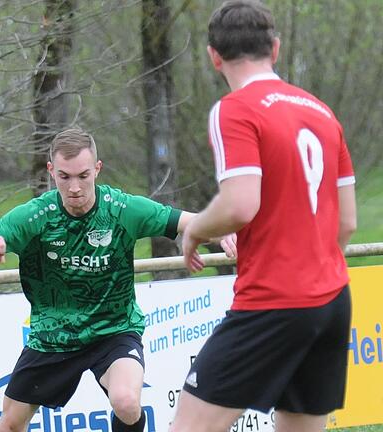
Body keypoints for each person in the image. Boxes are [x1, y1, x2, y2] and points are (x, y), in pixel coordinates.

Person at [0, 128, 236, 432]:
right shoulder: (36, 216)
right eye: (64, 177)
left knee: (126, 402)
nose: (74, 187)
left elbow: (187, 221)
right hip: (53, 337)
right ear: (51, 172)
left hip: (113, 330)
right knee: (9, 423)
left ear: (97, 170)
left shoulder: (121, 209)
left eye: (83, 176)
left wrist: (226, 232)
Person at [171, 2, 357, 431]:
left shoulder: (234, 109)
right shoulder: (323, 112)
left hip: (273, 299)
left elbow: (240, 204)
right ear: (275, 48)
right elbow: (345, 221)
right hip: (331, 300)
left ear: (213, 56)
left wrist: (195, 229)